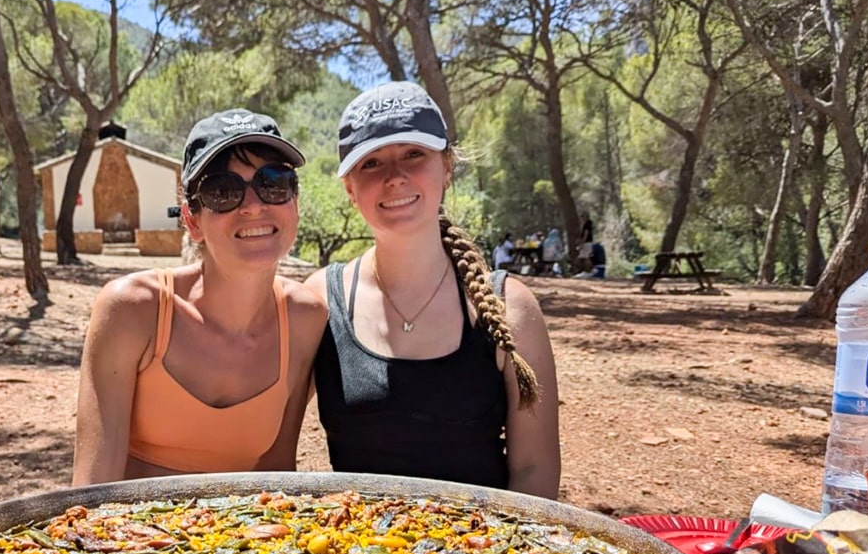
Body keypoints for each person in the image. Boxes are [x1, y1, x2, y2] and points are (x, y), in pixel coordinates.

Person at [307, 82, 560, 497]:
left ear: (447, 167)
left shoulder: (509, 307)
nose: (395, 177)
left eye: (413, 154)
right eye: (371, 163)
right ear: (350, 189)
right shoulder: (321, 301)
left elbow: (535, 472)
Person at [73, 109, 328, 485]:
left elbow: (277, 480)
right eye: (223, 191)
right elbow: (92, 491)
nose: (254, 205)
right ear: (193, 221)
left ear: (294, 204)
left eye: (273, 183)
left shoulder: (306, 320)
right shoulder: (133, 310)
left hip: (242, 538)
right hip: (129, 539)